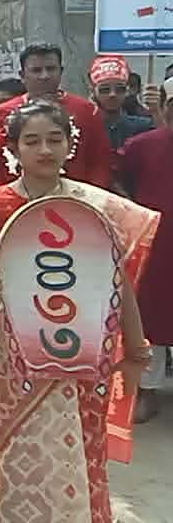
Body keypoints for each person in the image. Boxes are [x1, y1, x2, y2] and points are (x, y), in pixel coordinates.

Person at [0, 99, 158, 521]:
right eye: (32, 141)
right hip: (5, 357)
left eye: (54, 139)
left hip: (77, 352)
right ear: (13, 148)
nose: (45, 150)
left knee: (75, 453)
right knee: (13, 455)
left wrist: (136, 345)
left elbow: (117, 280)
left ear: (70, 144)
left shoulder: (95, 206)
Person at [0, 44, 111, 190]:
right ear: (22, 75)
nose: (45, 76)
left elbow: (100, 163)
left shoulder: (87, 111)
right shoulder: (2, 113)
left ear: (61, 71)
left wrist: (90, 197)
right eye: (36, 70)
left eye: (51, 69)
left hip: (76, 197)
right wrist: (3, 197)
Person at [119, 83, 173, 422]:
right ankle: (147, 390)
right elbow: (120, 182)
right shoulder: (141, 146)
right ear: (163, 106)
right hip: (157, 245)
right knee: (151, 317)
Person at [91, 56, 153, 193]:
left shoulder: (144, 126)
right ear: (93, 91)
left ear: (127, 91)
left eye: (119, 89)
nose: (112, 95)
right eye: (105, 90)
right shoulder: (85, 126)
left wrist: (157, 111)